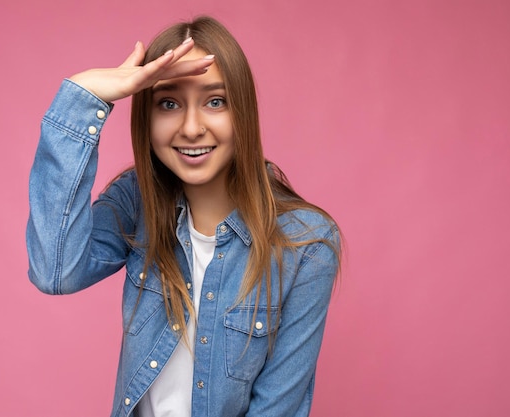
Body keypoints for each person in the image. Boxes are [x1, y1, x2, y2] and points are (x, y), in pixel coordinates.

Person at [27, 16, 341, 417]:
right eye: (169, 103)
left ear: (242, 111)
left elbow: (278, 408)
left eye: (215, 101)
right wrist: (84, 95)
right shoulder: (137, 202)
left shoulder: (307, 245)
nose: (192, 128)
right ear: (147, 117)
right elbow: (56, 271)